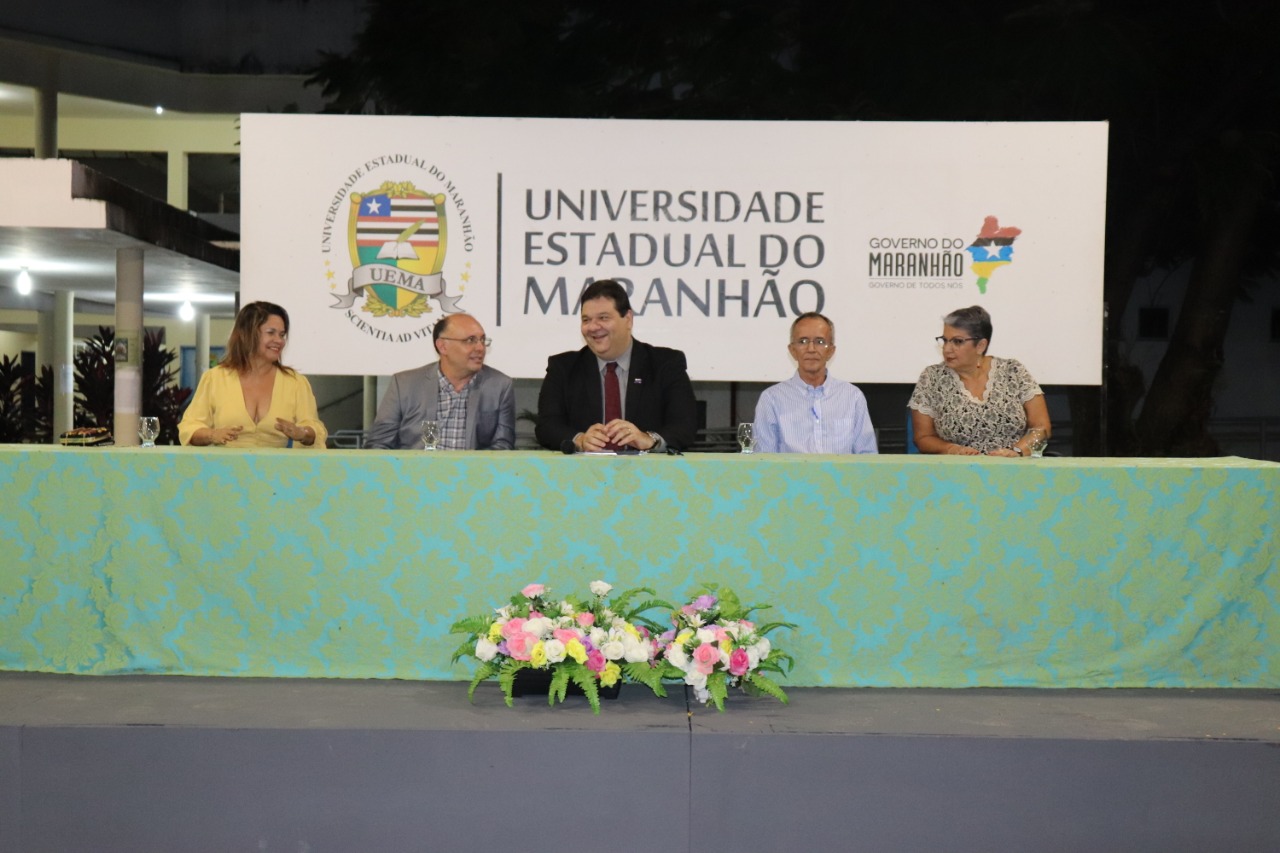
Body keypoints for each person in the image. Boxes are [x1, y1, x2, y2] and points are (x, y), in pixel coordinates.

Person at [535, 279, 698, 453]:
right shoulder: (563, 368)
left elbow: (685, 426)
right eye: (586, 319)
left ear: (628, 319)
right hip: (583, 470)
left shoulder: (666, 364)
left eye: (603, 318)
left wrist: (649, 439)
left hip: (648, 470)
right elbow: (547, 426)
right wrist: (580, 440)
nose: (593, 327)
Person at [179, 301, 327, 448]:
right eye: (271, 333)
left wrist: (302, 433)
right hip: (225, 463)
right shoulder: (214, 378)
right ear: (247, 334)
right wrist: (212, 435)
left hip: (277, 464)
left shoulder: (295, 382)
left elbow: (315, 429)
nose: (279, 341)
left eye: (282, 335)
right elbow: (189, 428)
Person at [908, 305, 1050, 456]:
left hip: (1013, 465)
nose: (947, 349)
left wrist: (1016, 452)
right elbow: (923, 438)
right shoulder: (931, 378)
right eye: (945, 340)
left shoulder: (1013, 370)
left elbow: (1042, 428)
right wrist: (951, 449)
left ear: (981, 345)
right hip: (957, 467)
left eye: (957, 341)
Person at [365, 313, 515, 450]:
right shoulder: (405, 384)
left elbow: (502, 447)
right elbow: (378, 444)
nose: (480, 348)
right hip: (417, 470)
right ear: (443, 346)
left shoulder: (499, 386)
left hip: (473, 471)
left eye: (482, 340)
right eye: (470, 340)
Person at [753, 312, 877, 454]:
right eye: (803, 341)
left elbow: (868, 456)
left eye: (820, 342)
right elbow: (763, 459)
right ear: (792, 350)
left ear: (831, 351)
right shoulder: (771, 399)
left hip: (840, 470)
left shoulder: (852, 397)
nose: (811, 349)